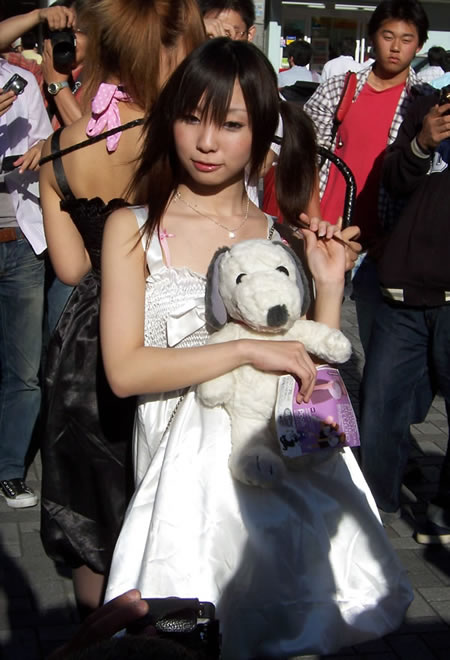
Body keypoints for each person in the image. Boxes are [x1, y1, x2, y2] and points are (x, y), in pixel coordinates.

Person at [101, 37, 412, 659]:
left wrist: (328, 286)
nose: (206, 141)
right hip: (178, 476)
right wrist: (245, 351)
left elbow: (305, 373)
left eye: (231, 124)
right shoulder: (133, 227)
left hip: (277, 473)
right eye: (191, 117)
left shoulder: (277, 234)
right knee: (193, 631)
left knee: (279, 627)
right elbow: (125, 371)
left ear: (263, 132)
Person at [39, 0, 206, 618]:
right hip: (166, 331)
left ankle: (100, 636)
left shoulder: (58, 148)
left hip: (84, 343)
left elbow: (70, 269)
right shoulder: (183, 142)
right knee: (163, 497)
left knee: (92, 511)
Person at [304, 0, 432, 354]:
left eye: (406, 39)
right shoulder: (340, 88)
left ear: (419, 45)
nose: (395, 47)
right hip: (326, 230)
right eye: (388, 36)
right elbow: (306, 157)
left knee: (378, 346)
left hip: (383, 242)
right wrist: (311, 218)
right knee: (309, 330)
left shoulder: (423, 103)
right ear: (373, 37)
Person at [359, 86, 450, 541]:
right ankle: (374, 505)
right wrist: (422, 143)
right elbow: (393, 180)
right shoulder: (429, 106)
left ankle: (445, 509)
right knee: (380, 404)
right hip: (404, 291)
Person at [0, 58, 52, 508]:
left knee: (24, 370)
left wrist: (41, 152)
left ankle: (10, 470)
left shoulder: (21, 82)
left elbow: (45, 145)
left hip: (21, 240)